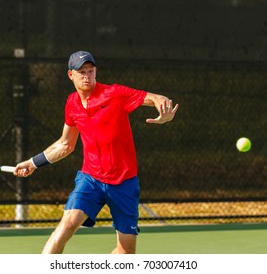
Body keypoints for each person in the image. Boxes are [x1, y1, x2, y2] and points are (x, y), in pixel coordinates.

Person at [14, 51, 179, 254]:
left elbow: (155, 97)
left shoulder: (115, 93)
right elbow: (66, 144)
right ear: (70, 75)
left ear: (95, 72)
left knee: (126, 254)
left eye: (90, 71)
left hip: (124, 183)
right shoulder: (72, 103)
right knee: (66, 226)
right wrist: (32, 163)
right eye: (81, 72)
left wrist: (164, 113)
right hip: (91, 179)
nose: (87, 76)